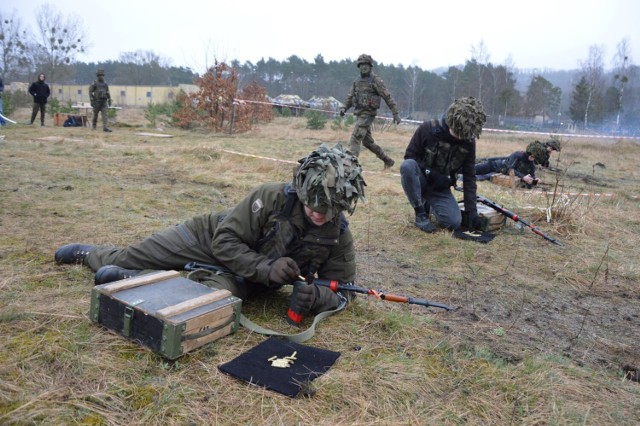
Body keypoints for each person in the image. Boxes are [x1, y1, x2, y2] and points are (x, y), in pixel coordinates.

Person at [54, 143, 367, 316]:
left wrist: (316, 298)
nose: (318, 213)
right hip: (208, 239)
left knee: (209, 302)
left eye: (328, 209)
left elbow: (344, 291)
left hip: (247, 278)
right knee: (130, 256)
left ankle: (138, 283)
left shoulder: (337, 233)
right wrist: (267, 267)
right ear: (301, 189)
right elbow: (225, 241)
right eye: (313, 203)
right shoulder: (271, 197)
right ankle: (91, 255)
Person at [400, 97, 487, 233]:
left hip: (440, 188)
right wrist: (430, 173)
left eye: (465, 136)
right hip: (421, 180)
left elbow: (469, 177)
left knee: (453, 223)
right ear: (451, 123)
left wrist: (472, 212)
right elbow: (410, 157)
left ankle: (432, 204)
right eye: (458, 133)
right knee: (407, 166)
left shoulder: (469, 141)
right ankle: (420, 213)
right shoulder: (428, 129)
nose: (460, 138)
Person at [339, 54, 401, 169]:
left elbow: (387, 96)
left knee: (355, 138)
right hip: (359, 114)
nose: (364, 67)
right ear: (359, 66)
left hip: (368, 115)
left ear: (370, 66)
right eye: (361, 65)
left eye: (366, 65)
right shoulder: (356, 81)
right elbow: (350, 96)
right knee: (367, 143)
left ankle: (349, 168)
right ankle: (388, 160)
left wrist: (395, 113)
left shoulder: (375, 81)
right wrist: (344, 108)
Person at [475, 144, 543, 188]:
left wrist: (535, 179)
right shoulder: (517, 155)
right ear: (528, 153)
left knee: (480, 178)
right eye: (532, 156)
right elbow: (510, 169)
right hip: (493, 166)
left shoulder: (531, 163)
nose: (533, 159)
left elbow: (532, 174)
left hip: (498, 174)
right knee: (472, 170)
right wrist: (523, 177)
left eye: (535, 157)